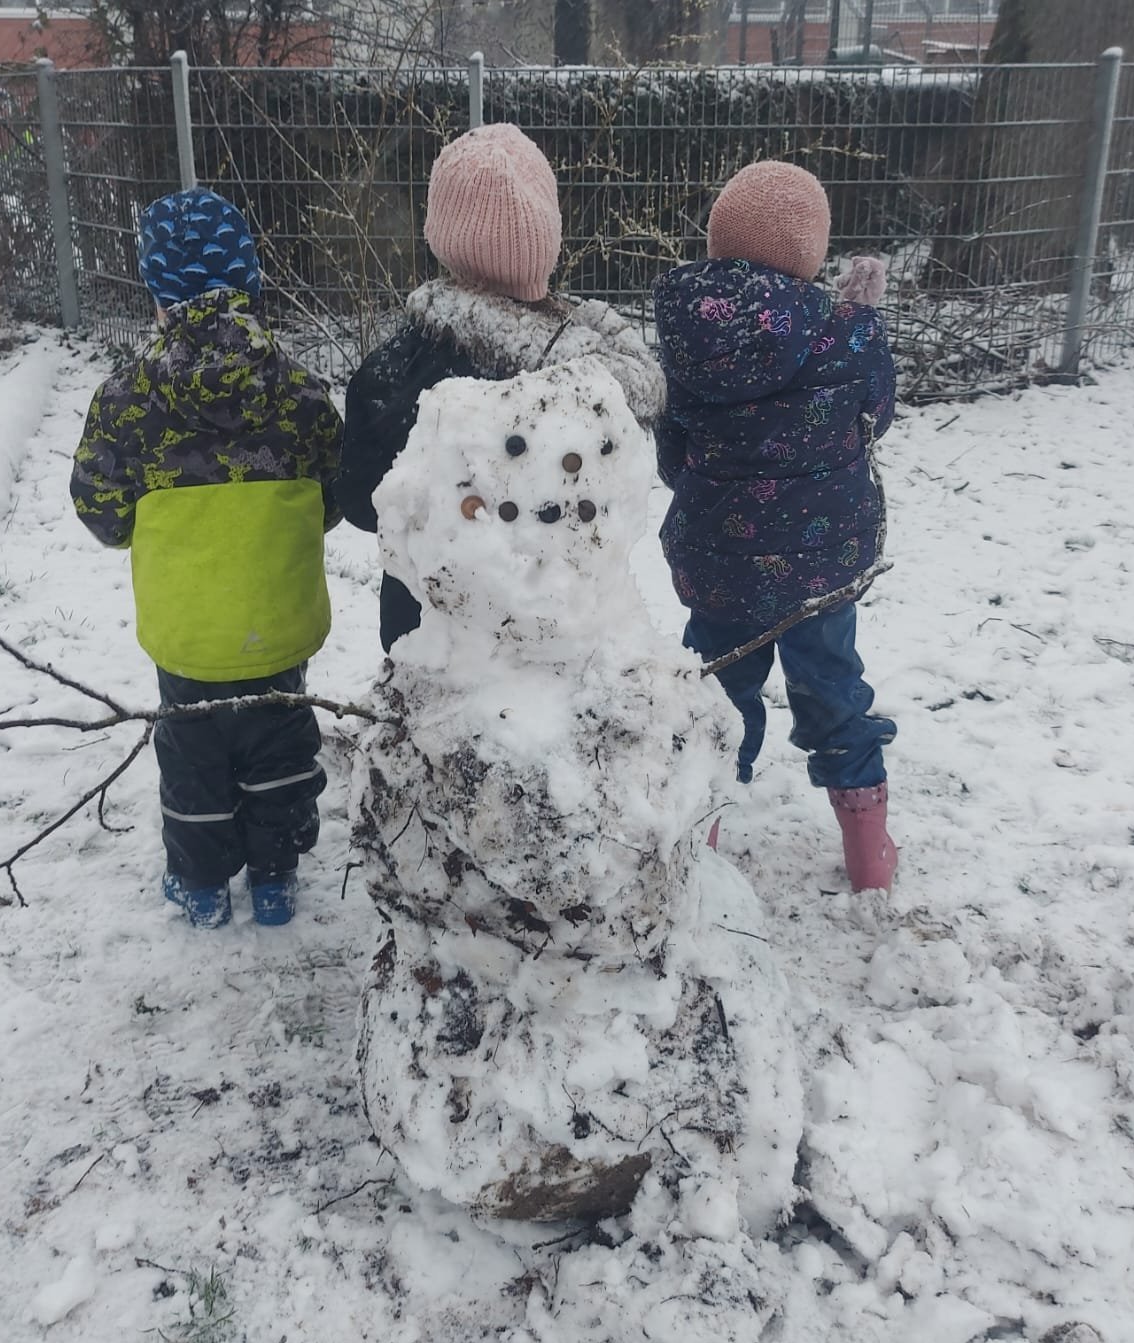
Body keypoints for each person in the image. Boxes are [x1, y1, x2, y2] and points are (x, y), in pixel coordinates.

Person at [71, 188, 343, 929]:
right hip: (279, 624)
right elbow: (333, 494)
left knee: (193, 759)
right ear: (250, 282)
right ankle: (277, 875)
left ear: (158, 295)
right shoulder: (300, 393)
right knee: (279, 746)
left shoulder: (126, 399)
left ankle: (199, 887)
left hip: (185, 637)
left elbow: (99, 508)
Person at [652, 161, 899, 893]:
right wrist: (864, 322)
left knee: (715, 697)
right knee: (832, 687)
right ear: (810, 253)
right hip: (820, 571)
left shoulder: (689, 333)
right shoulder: (845, 336)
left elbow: (673, 452)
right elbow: (874, 417)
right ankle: (869, 857)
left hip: (718, 563)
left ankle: (701, 846)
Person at [334, 122, 665, 653]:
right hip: (558, 642)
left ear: (442, 238)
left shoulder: (389, 373)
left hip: (429, 635)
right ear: (547, 237)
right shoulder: (594, 387)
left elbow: (357, 500)